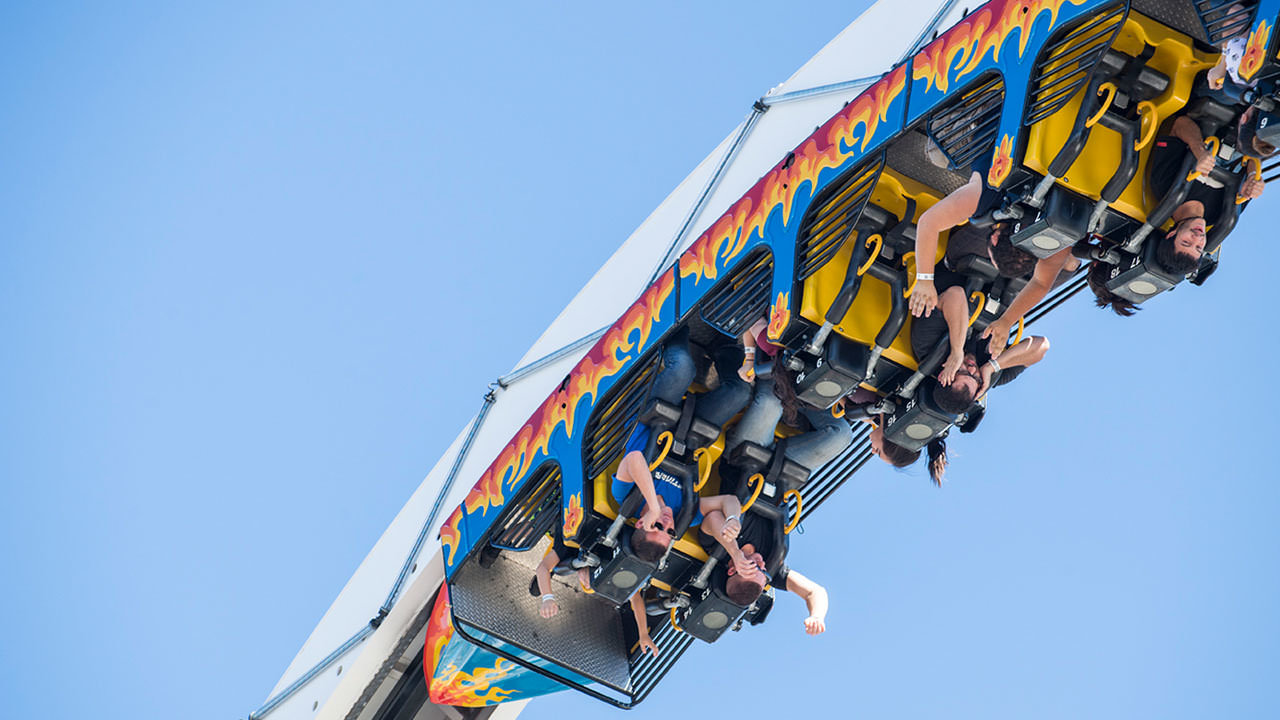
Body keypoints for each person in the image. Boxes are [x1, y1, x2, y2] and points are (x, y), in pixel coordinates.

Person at [908, 171, 1038, 320]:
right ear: (994, 239)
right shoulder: (981, 200)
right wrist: (924, 281)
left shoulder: (1040, 205)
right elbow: (928, 223)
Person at [728, 317, 854, 471]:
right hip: (785, 378)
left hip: (800, 385)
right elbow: (752, 316)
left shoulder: (771, 345)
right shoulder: (772, 345)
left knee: (841, 435)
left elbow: (751, 317)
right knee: (772, 403)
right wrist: (749, 359)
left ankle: (763, 466)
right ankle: (760, 466)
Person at [698, 508, 829, 636]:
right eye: (765, 572)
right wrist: (817, 617)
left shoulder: (716, 547)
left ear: (733, 570)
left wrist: (735, 553)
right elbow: (815, 591)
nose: (763, 563)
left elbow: (712, 518)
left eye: (755, 567)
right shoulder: (771, 568)